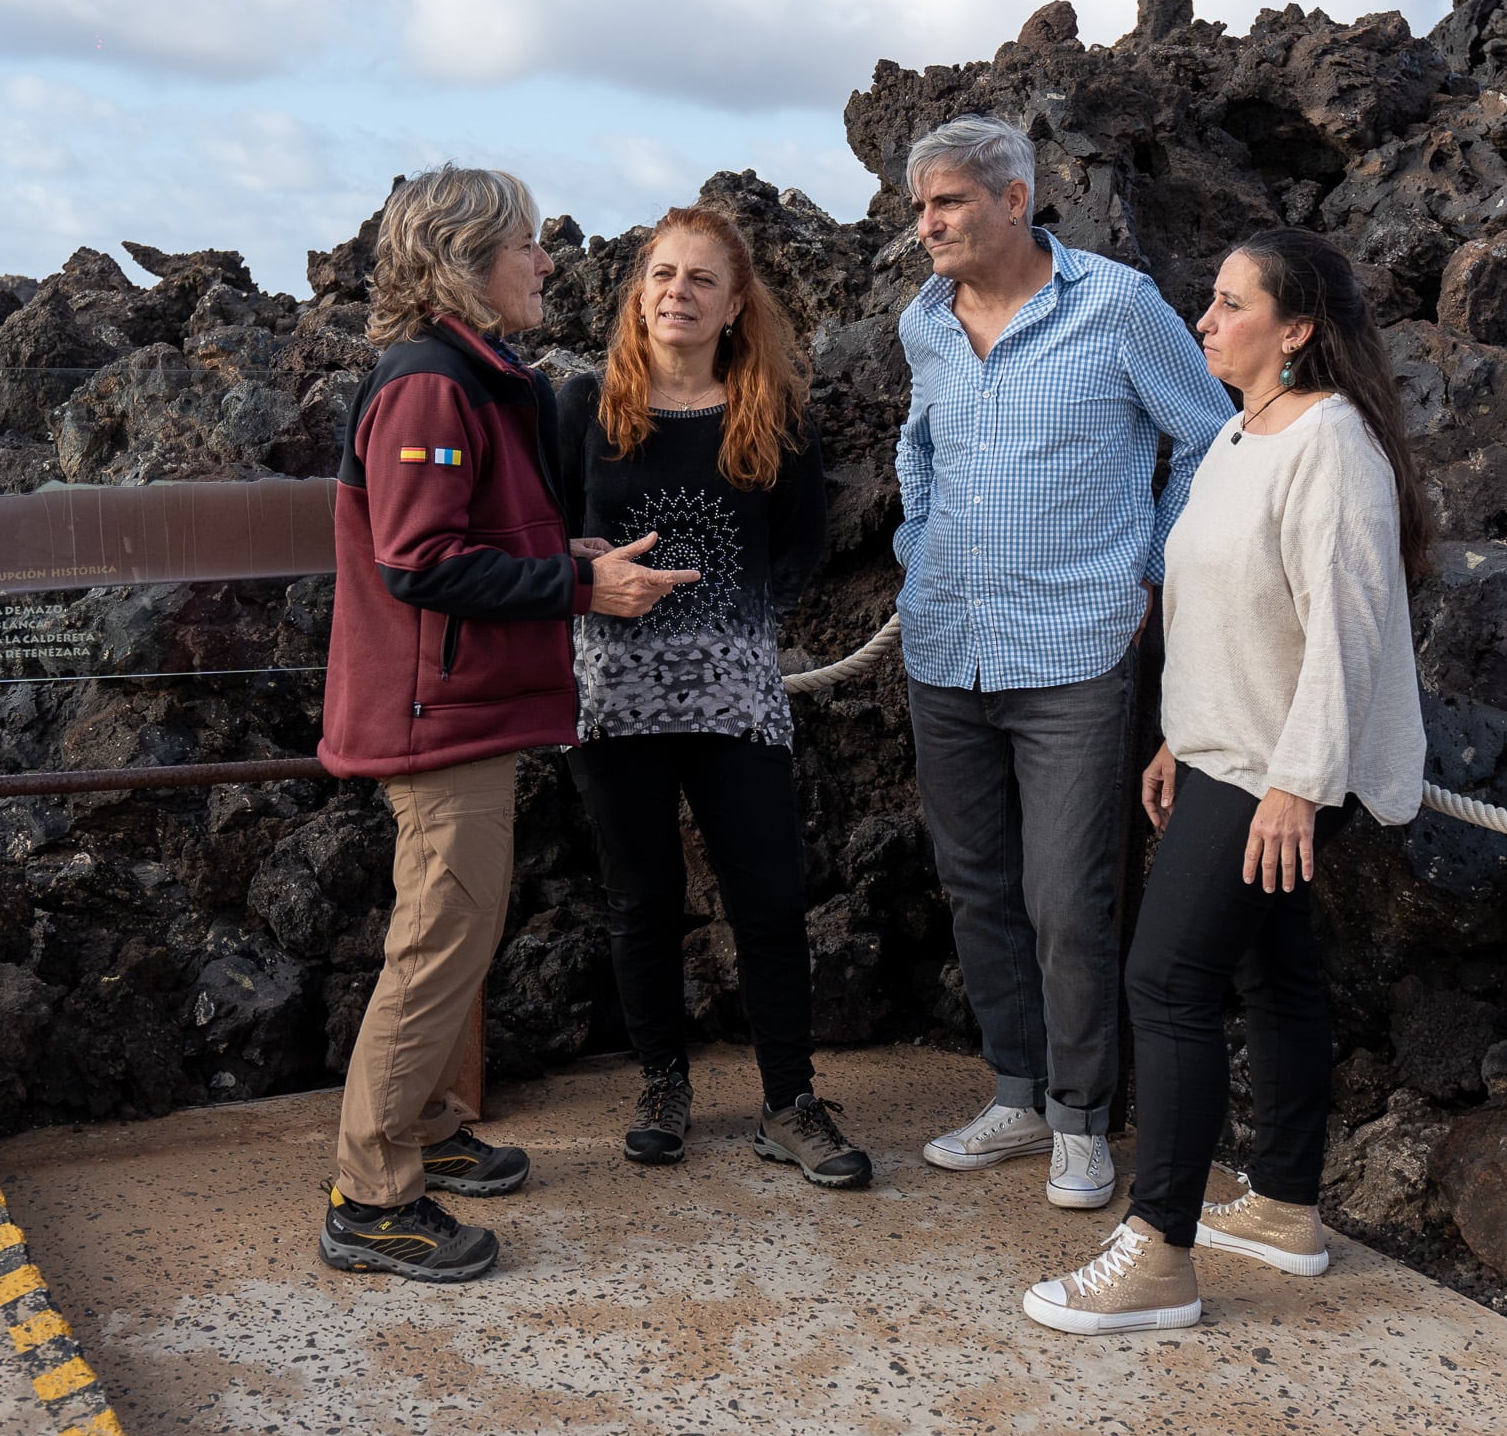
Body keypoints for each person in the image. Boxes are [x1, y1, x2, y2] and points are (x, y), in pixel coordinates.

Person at [1022, 227, 1431, 1334]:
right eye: (1209, 300)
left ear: (1296, 329)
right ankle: (1289, 1206)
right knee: (1275, 974)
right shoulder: (1243, 434)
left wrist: (1300, 783)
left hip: (1279, 771)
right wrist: (1178, 737)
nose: (1205, 319)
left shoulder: (1332, 446)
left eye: (1230, 302)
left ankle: (1158, 1250)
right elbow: (1224, 612)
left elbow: (1348, 629)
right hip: (1227, 753)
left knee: (1164, 981)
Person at [316, 166, 694, 1284]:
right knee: (440, 943)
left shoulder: (471, 378)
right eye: (525, 244)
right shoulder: (434, 387)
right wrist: (583, 593)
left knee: (456, 931)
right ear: (463, 258)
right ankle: (372, 1196)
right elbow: (420, 560)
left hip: (460, 706)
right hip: (440, 718)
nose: (545, 261)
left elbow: (467, 536)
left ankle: (428, 1127)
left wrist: (571, 558)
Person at [892, 114, 1235, 1210]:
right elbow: (919, 451)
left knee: (1066, 893)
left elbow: (1209, 437)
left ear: (1013, 197)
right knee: (976, 882)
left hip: (1077, 651)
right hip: (945, 642)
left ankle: (1084, 1120)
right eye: (920, 208)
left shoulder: (1119, 305)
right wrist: (917, 546)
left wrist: (1149, 568)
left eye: (946, 202)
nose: (928, 225)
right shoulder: (924, 325)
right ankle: (1019, 1092)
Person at [554, 206, 867, 1188]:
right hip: (617, 695)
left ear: (736, 305)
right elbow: (543, 533)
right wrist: (584, 565)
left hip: (738, 694)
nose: (676, 293)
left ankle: (788, 1102)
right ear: (637, 292)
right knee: (639, 897)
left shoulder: (768, 408)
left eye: (700, 279)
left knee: (768, 899)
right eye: (661, 274)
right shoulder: (579, 406)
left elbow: (803, 544)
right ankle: (661, 1082)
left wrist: (730, 622)